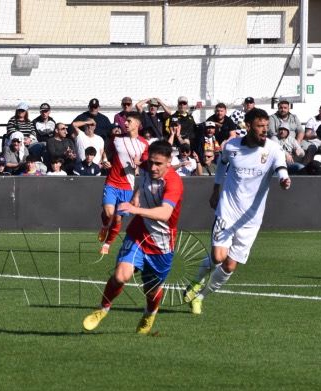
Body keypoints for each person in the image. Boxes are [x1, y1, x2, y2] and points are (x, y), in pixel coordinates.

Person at [184, 108, 291, 315]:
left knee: (230, 266)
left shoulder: (273, 148)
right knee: (218, 257)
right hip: (228, 211)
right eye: (260, 126)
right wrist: (216, 189)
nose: (264, 130)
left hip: (251, 219)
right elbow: (222, 165)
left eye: (266, 126)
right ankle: (196, 282)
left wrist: (284, 179)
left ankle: (200, 296)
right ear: (248, 126)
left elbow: (281, 167)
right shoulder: (231, 146)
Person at [82, 140, 184, 335]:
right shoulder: (145, 166)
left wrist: (135, 209)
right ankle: (102, 309)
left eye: (158, 164)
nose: (153, 167)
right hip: (138, 234)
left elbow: (165, 214)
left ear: (169, 162)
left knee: (151, 291)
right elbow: (143, 179)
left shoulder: (174, 183)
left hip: (161, 243)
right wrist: (137, 195)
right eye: (151, 162)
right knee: (120, 276)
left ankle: (149, 314)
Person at [97, 111, 148, 255]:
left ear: (137, 124)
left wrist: (140, 163)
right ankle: (104, 225)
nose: (125, 123)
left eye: (129, 121)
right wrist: (105, 161)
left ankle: (107, 244)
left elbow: (146, 164)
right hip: (112, 182)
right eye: (125, 121)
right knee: (109, 213)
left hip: (127, 186)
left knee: (118, 218)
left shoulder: (144, 144)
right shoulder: (116, 139)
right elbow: (106, 152)